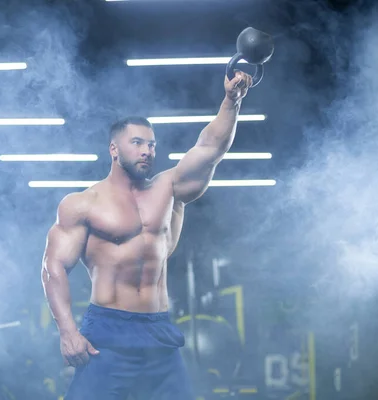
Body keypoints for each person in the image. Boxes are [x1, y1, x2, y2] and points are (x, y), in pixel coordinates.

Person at [41, 70, 254, 399]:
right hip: (107, 332)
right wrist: (67, 332)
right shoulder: (82, 204)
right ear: (114, 149)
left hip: (158, 331)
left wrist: (232, 101)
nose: (147, 151)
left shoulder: (167, 188)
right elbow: (52, 268)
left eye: (151, 144)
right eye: (137, 143)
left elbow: (210, 148)